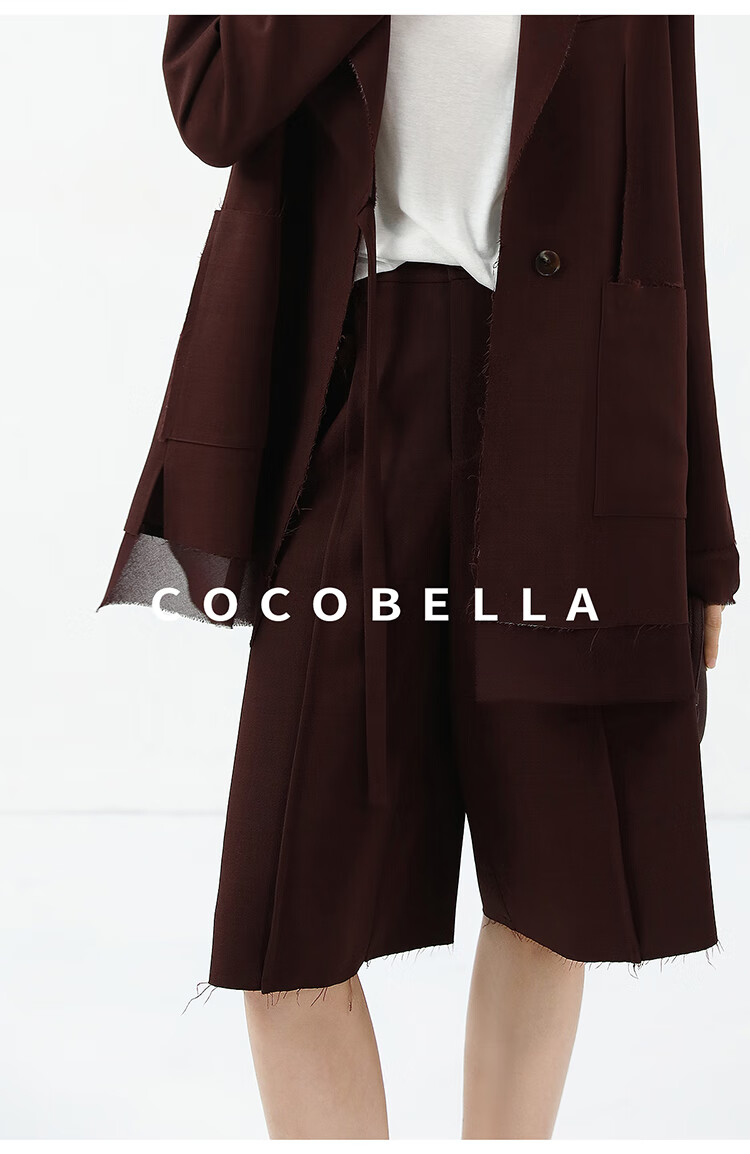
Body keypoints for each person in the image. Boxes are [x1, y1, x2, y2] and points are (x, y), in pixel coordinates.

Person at [99, 15, 740, 1139]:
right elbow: (210, 102)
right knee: (283, 930)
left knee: (553, 898)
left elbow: (669, 201)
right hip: (352, 396)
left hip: (579, 412)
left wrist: (703, 542)